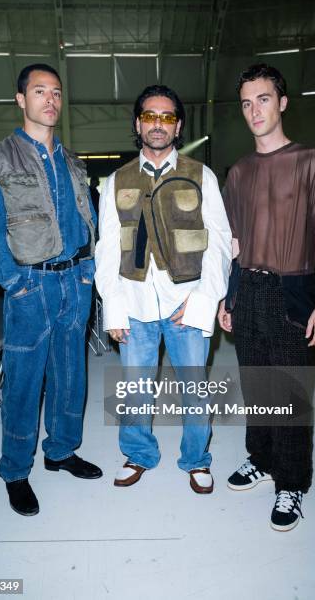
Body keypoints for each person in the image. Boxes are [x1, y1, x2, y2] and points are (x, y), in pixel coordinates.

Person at [0, 63, 102, 517]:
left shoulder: (73, 162)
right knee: (24, 385)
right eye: (40, 91)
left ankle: (61, 451)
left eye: (57, 92)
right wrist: (15, 283)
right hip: (30, 286)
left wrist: (87, 271)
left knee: (71, 378)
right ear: (21, 99)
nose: (50, 99)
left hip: (75, 281)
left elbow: (88, 222)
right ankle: (15, 470)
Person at [218, 63, 315, 531]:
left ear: (282, 102)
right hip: (248, 289)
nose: (254, 111)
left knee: (290, 394)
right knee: (257, 388)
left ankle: (293, 481)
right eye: (247, 103)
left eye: (263, 99)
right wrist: (226, 297)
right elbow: (233, 243)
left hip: (294, 289)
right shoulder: (240, 171)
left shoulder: (310, 162)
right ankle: (262, 459)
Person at [95, 84, 231, 493]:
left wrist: (205, 299)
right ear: (137, 124)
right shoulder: (116, 180)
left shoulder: (200, 175)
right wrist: (113, 308)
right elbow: (105, 248)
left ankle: (196, 459)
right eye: (150, 116)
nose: (158, 124)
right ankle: (138, 454)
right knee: (136, 392)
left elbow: (220, 242)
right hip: (134, 304)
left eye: (167, 117)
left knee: (194, 392)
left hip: (186, 301)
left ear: (178, 127)